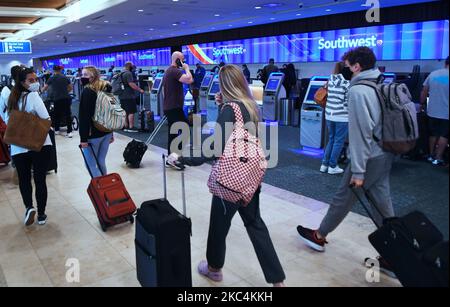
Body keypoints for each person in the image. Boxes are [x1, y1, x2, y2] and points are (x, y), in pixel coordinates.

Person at [178, 64, 286, 287]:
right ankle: (277, 280)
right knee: (256, 224)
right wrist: (223, 106)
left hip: (230, 180)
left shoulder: (230, 109)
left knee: (218, 226)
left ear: (224, 84)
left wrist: (182, 158)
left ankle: (214, 269)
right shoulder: (251, 107)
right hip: (250, 177)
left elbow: (214, 148)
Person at [297, 47, 397, 277]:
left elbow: (361, 132)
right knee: (382, 202)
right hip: (385, 152)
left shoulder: (359, 90)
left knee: (344, 197)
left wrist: (359, 170)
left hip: (368, 156)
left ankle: (319, 236)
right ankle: (395, 251)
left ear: (357, 67)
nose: (345, 68)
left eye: (347, 65)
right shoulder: (380, 83)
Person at [5, 67, 52, 226]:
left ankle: (29, 207)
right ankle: (41, 214)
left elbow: (6, 121)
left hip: (18, 146)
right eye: (31, 80)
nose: (35, 83)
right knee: (40, 180)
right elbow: (46, 118)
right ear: (23, 83)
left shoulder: (10, 98)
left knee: (24, 180)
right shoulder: (33, 96)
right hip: (38, 144)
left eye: (36, 79)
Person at [79, 66, 114, 178]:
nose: (82, 77)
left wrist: (83, 138)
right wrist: (111, 132)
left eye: (85, 75)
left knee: (90, 165)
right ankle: (107, 187)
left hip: (92, 135)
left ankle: (101, 189)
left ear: (92, 77)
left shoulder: (88, 91)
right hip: (106, 131)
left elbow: (84, 116)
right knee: (101, 161)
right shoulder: (106, 88)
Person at [162, 51, 193, 169]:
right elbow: (189, 80)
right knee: (184, 131)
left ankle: (171, 158)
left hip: (171, 107)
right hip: (174, 107)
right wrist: (187, 68)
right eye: (182, 59)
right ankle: (174, 158)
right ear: (177, 60)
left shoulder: (169, 71)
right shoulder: (175, 70)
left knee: (173, 134)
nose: (184, 61)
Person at [320, 62, 352, 175]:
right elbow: (347, 103)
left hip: (329, 114)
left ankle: (324, 164)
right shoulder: (347, 84)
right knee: (338, 141)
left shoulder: (331, 80)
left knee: (331, 139)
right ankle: (332, 166)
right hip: (341, 116)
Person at [420, 56, 449, 166]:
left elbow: (424, 91)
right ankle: (438, 157)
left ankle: (431, 155)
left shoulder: (433, 74)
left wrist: (422, 103)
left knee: (433, 134)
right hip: (446, 112)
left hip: (432, 110)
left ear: (445, 63)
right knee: (444, 135)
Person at [42, 65, 74, 138]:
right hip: (66, 98)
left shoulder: (52, 78)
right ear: (60, 70)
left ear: (53, 70)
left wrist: (40, 91)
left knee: (57, 114)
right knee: (68, 114)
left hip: (57, 99)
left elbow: (45, 88)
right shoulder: (65, 77)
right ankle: (69, 132)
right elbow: (70, 88)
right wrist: (65, 91)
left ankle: (56, 130)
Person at [118, 61, 145, 132]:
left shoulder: (121, 73)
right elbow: (131, 84)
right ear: (130, 66)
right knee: (131, 111)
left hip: (121, 95)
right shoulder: (128, 73)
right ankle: (131, 127)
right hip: (129, 95)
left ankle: (125, 126)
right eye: (132, 66)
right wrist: (140, 90)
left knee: (125, 111)